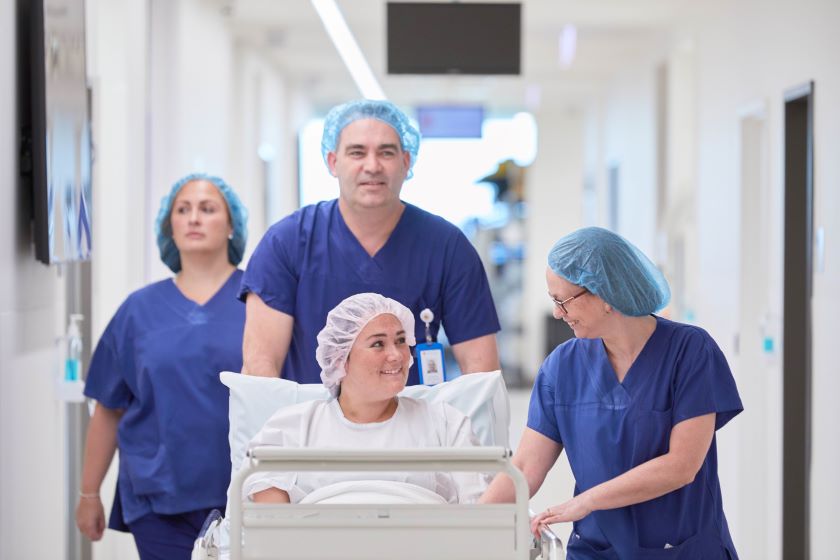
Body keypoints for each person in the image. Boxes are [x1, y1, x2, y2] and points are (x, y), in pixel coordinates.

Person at [480, 227, 743, 559]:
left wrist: (587, 501)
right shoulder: (562, 367)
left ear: (604, 294)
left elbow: (681, 465)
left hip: (682, 549)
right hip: (597, 550)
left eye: (562, 300)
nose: (557, 313)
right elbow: (526, 467)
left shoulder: (690, 352)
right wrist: (468, 527)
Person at [239, 99, 500, 385]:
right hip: (309, 426)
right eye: (357, 152)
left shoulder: (448, 248)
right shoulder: (286, 243)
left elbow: (481, 374)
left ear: (406, 161)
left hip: (414, 426)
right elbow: (259, 369)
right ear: (333, 162)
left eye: (386, 152)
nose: (372, 166)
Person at [75, 173, 249, 560]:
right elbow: (108, 408)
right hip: (158, 500)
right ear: (169, 225)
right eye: (182, 209)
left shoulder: (258, 304)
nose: (194, 218)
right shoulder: (139, 310)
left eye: (207, 209)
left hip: (245, 492)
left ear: (231, 224)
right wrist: (89, 494)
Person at [243, 293, 488, 505]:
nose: (396, 355)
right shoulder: (292, 428)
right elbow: (270, 530)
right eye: (378, 344)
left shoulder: (445, 424)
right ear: (340, 359)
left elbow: (480, 514)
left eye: (401, 341)